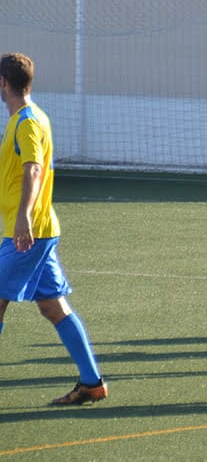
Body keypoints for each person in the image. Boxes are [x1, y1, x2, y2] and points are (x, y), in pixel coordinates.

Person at [0, 52, 108, 405]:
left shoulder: (28, 121)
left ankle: (92, 382)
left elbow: (33, 169)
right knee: (53, 307)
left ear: (4, 83)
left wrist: (23, 217)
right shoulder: (34, 117)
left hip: (28, 233)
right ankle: (92, 383)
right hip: (39, 231)